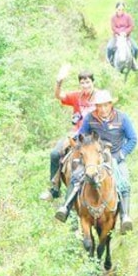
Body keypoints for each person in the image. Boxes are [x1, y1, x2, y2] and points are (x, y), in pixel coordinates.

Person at [55, 89, 137, 233]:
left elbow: (133, 139)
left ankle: (125, 217)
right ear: (96, 107)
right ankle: (66, 207)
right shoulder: (89, 118)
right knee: (76, 176)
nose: (103, 109)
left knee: (124, 182)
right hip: (93, 156)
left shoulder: (122, 118)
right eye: (99, 106)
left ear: (111, 105)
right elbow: (81, 135)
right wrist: (73, 142)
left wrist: (122, 154)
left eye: (106, 105)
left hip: (115, 155)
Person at [40, 66, 97, 201]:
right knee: (55, 153)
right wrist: (59, 82)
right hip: (77, 133)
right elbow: (59, 95)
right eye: (82, 83)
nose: (85, 85)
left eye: (88, 82)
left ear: (93, 82)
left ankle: (117, 189)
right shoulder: (77, 96)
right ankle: (54, 189)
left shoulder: (99, 96)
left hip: (95, 134)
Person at [106, 1, 138, 70]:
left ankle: (134, 63)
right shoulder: (113, 18)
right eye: (119, 9)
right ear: (116, 9)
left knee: (136, 48)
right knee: (109, 48)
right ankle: (109, 62)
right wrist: (119, 33)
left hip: (126, 37)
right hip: (117, 37)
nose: (121, 11)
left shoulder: (128, 17)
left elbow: (131, 26)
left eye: (122, 9)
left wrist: (125, 32)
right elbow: (113, 27)